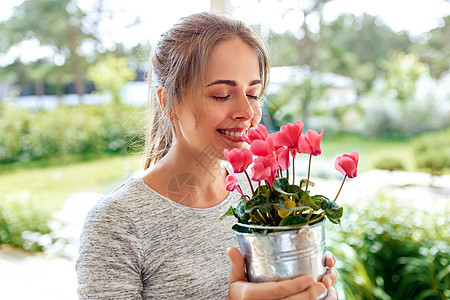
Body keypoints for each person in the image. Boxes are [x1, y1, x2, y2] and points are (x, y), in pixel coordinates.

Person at [76, 12, 338, 299]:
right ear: (168, 102)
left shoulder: (263, 195)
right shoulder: (117, 222)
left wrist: (317, 293)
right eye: (222, 94)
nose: (247, 112)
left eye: (253, 93)